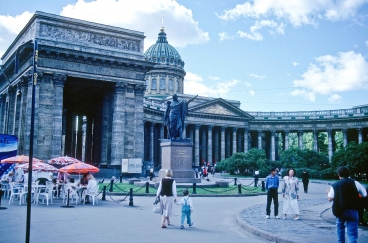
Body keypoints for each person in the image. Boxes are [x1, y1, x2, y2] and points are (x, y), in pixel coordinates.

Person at [327, 166, 367, 242]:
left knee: (340, 227)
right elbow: (364, 194)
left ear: (339, 174)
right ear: (349, 173)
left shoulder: (335, 185)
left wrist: (328, 192)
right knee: (352, 232)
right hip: (353, 209)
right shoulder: (355, 183)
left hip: (340, 210)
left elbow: (330, 198)